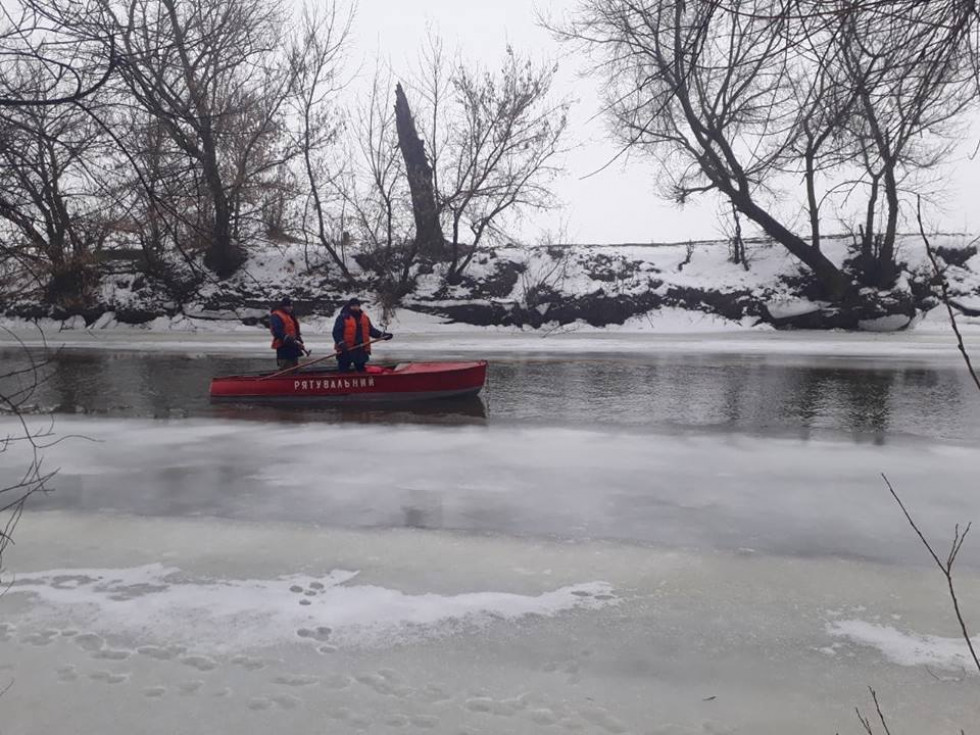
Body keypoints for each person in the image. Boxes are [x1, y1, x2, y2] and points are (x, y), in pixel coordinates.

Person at [332, 298, 392, 372]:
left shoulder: (365, 318)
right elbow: (336, 332)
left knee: (361, 370)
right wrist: (341, 343)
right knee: (343, 370)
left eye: (357, 305)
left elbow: (371, 331)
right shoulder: (342, 317)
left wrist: (383, 335)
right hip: (346, 349)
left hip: (360, 349)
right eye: (353, 306)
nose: (355, 307)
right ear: (349, 306)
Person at [269, 296, 306, 369]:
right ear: (283, 306)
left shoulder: (290, 316)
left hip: (293, 347)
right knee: (286, 367)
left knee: (295, 367)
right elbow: (277, 331)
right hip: (283, 347)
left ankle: (293, 378)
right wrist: (287, 338)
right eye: (288, 306)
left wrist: (298, 339)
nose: (290, 308)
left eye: (291, 306)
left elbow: (294, 330)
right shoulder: (277, 315)